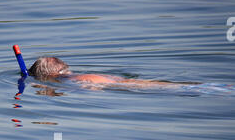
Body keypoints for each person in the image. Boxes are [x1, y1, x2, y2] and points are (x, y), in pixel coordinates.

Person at [28, 56, 186, 89]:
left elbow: (89, 88)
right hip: (116, 80)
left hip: (114, 83)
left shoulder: (66, 81)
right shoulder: (72, 77)